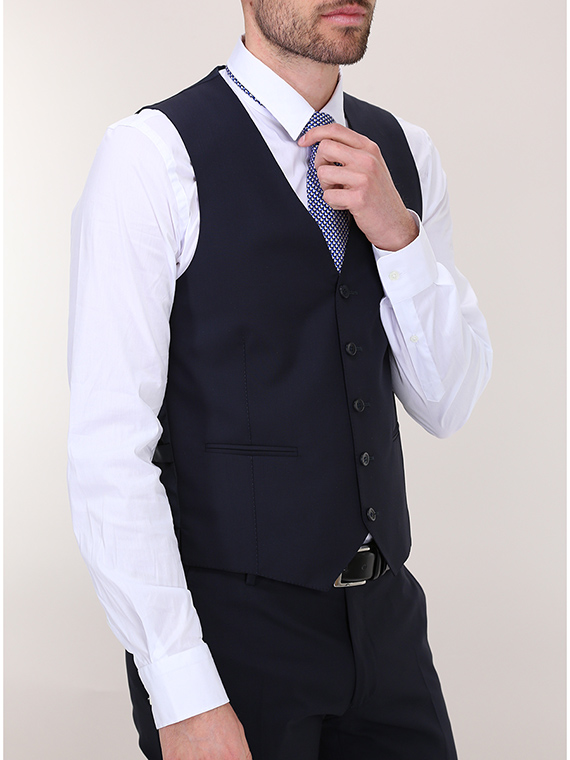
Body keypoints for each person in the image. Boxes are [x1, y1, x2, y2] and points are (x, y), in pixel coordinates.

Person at [68, 0, 492, 758]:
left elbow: (447, 401)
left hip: (387, 626)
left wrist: (398, 237)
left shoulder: (406, 152)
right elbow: (109, 448)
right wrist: (181, 688)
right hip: (230, 641)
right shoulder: (152, 154)